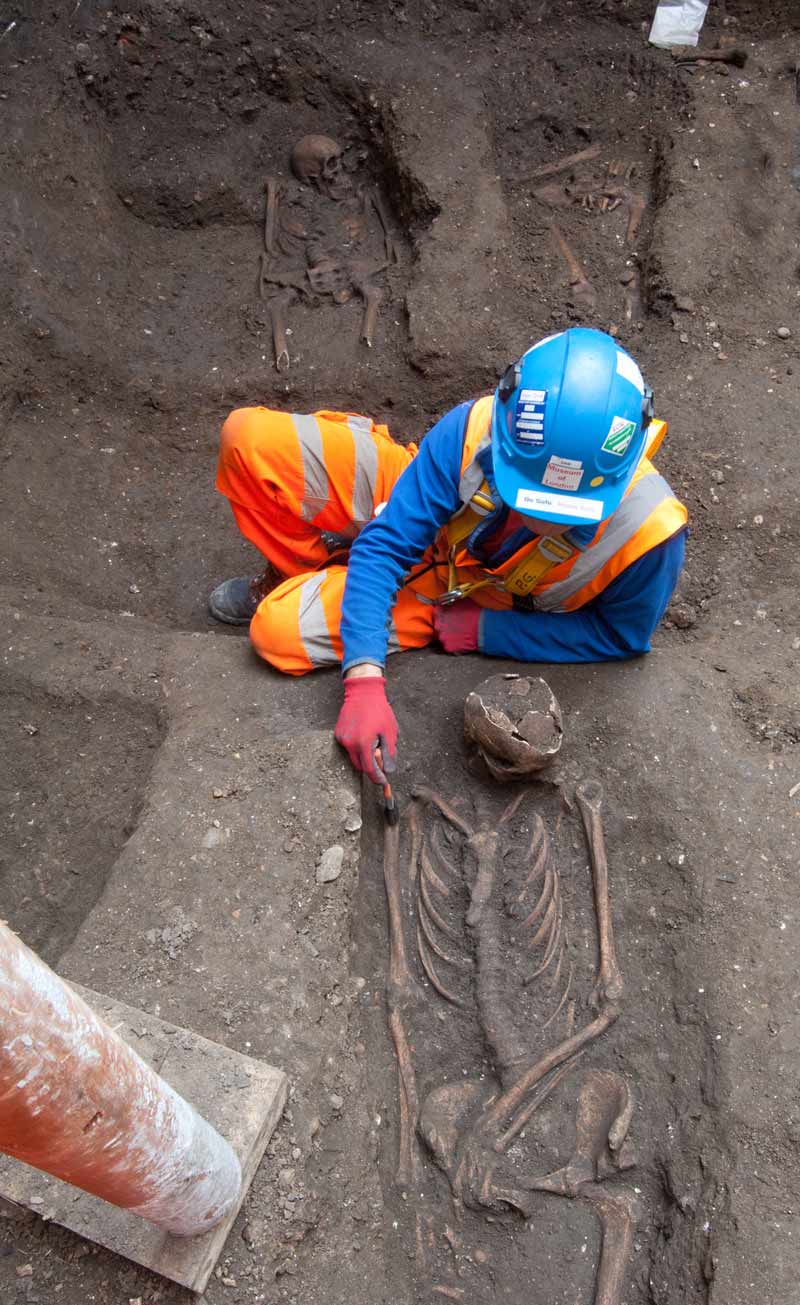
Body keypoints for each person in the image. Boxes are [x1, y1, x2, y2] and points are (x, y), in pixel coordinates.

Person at [210, 327, 688, 785]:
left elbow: (620, 636)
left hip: (459, 599)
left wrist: (487, 631)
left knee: (276, 633)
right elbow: (389, 543)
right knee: (248, 439)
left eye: (562, 510)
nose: (536, 516)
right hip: (423, 516)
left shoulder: (650, 535)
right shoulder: (478, 428)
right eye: (527, 491)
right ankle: (310, 572)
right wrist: (363, 682)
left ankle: (338, 581)